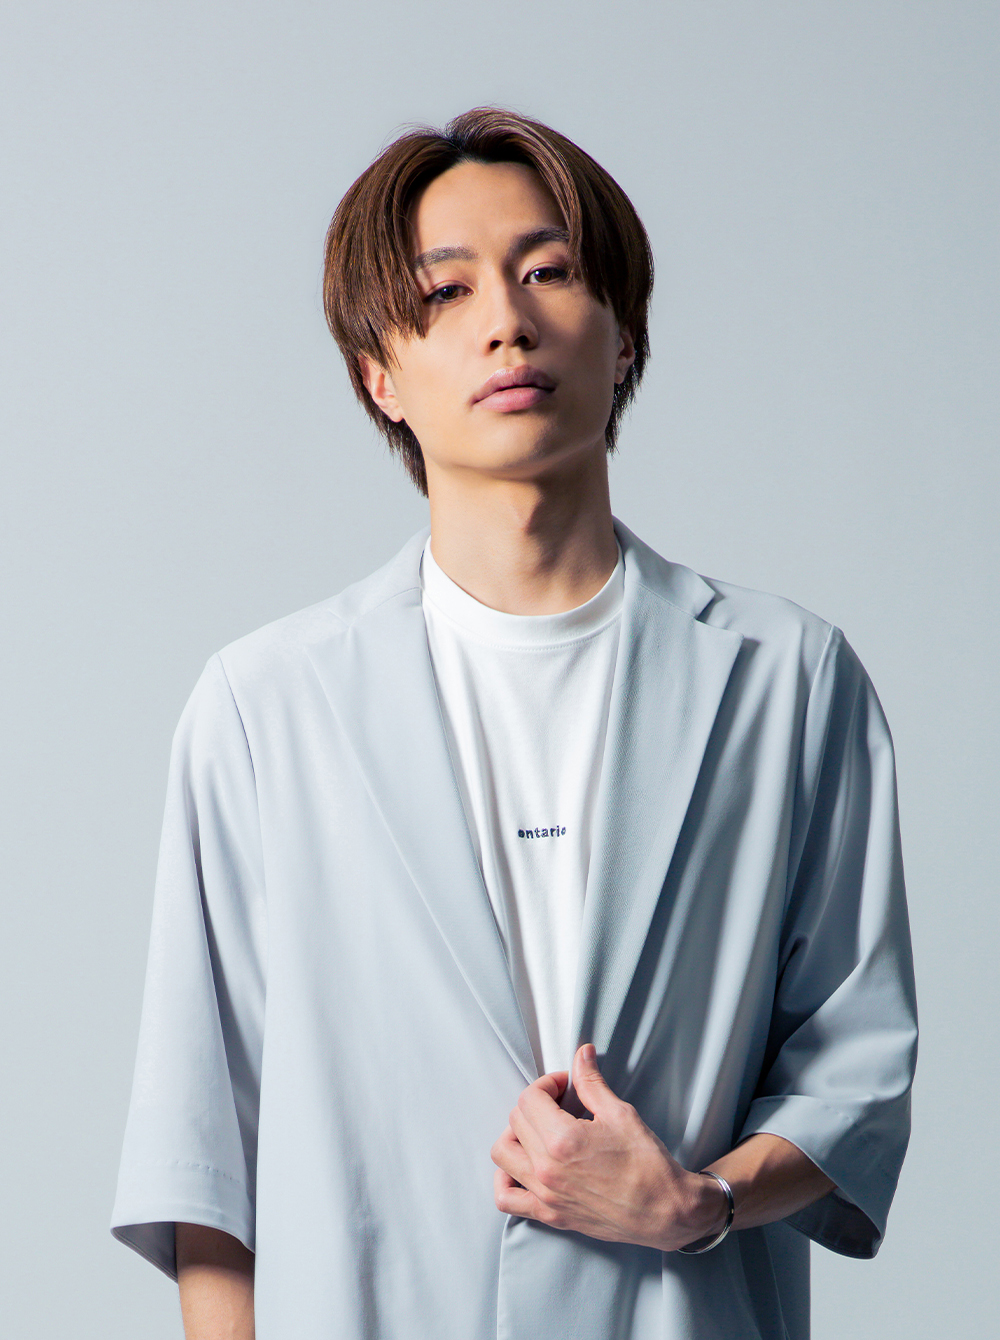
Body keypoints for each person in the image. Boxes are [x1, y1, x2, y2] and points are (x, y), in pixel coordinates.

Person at [111, 108, 917, 1340]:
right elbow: (205, 1155)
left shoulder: (788, 681)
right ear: (378, 375)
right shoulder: (265, 706)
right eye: (444, 291)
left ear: (624, 333)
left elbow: (854, 1064)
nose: (506, 320)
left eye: (548, 271)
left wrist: (696, 1203)